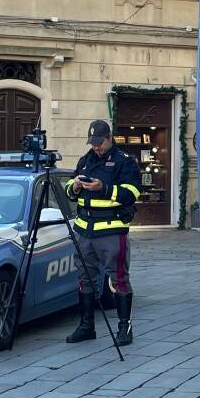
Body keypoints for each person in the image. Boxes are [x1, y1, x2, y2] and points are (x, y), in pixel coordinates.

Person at [64, 119, 142, 346]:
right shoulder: (85, 160)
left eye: (99, 142)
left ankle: (124, 328)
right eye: (93, 143)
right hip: (84, 230)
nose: (95, 147)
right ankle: (87, 326)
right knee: (85, 279)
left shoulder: (124, 162)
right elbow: (69, 190)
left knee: (118, 279)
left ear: (109, 138)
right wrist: (76, 186)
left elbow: (132, 192)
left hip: (110, 230)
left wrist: (104, 188)